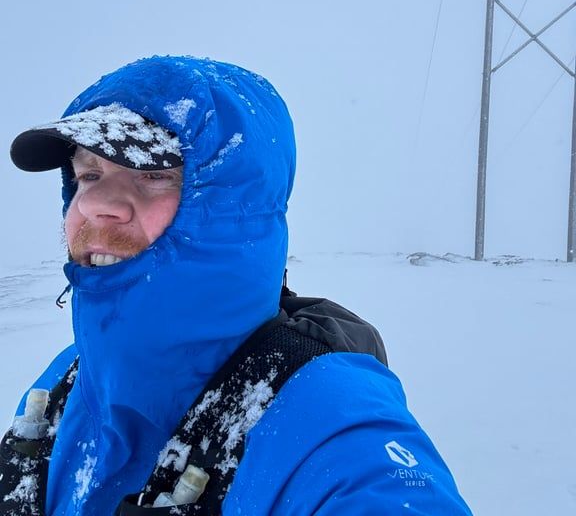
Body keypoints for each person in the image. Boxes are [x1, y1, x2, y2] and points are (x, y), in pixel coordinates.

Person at [2, 55, 473, 516]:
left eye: (153, 175)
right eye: (88, 175)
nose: (95, 204)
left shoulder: (333, 430)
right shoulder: (64, 382)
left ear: (235, 210)